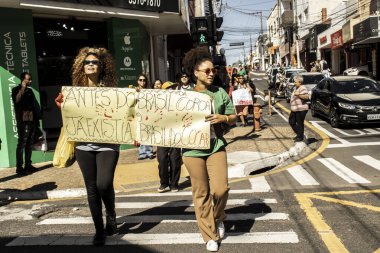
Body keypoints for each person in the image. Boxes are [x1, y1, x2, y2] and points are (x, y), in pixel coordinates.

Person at [55, 47, 120, 246]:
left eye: (95, 63)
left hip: (108, 144)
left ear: (102, 67)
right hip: (83, 144)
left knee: (103, 184)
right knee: (91, 188)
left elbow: (124, 113)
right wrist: (62, 105)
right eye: (87, 62)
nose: (91, 65)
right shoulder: (74, 92)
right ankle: (99, 230)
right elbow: (70, 117)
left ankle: (111, 213)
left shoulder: (111, 91)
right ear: (81, 66)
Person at [182, 46, 237, 252]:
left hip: (215, 146)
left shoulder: (220, 93)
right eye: (207, 70)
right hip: (192, 149)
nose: (212, 73)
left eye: (213, 70)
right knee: (201, 193)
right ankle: (209, 235)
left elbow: (233, 117)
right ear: (195, 72)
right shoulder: (183, 95)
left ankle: (218, 217)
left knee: (221, 189)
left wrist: (224, 118)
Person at [11, 72, 40, 176]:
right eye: (29, 79)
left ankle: (28, 165)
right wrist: (22, 89)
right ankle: (19, 168)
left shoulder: (30, 91)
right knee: (21, 144)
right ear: (23, 80)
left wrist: (37, 120)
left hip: (31, 120)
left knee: (29, 144)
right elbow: (17, 100)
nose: (31, 81)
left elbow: (33, 106)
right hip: (22, 121)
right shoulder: (15, 90)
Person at [156, 81, 182, 193]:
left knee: (175, 160)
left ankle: (174, 184)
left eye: (173, 87)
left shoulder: (179, 102)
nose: (171, 89)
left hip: (176, 134)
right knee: (162, 159)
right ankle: (164, 183)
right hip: (162, 135)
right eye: (168, 88)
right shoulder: (158, 103)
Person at [136, 73, 155, 160]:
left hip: (148, 115)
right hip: (138, 115)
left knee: (148, 133)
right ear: (138, 81)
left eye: (144, 80)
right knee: (141, 134)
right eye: (140, 80)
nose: (142, 82)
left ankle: (149, 152)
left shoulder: (149, 91)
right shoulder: (135, 91)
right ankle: (142, 153)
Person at [289, 74, 309, 142]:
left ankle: (300, 137)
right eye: (294, 82)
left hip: (301, 109)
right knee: (291, 121)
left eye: (295, 82)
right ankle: (299, 134)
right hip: (295, 109)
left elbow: (306, 97)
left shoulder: (303, 87)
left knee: (300, 123)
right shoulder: (296, 88)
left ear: (300, 82)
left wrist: (299, 95)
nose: (294, 83)